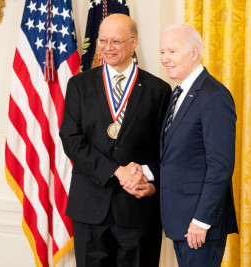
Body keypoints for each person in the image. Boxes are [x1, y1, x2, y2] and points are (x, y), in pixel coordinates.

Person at [59, 14, 171, 267]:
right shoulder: (79, 85)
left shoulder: (159, 90)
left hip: (139, 209)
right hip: (89, 208)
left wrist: (152, 182)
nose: (107, 47)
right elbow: (71, 139)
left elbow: (168, 152)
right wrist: (116, 171)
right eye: (103, 40)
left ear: (134, 43)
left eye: (116, 41)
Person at [126, 23, 238, 267]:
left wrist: (201, 220)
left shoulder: (214, 96)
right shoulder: (179, 93)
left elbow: (220, 167)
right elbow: (178, 157)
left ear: (194, 53)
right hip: (179, 219)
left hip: (198, 224)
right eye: (162, 52)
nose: (165, 59)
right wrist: (144, 171)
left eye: (172, 52)